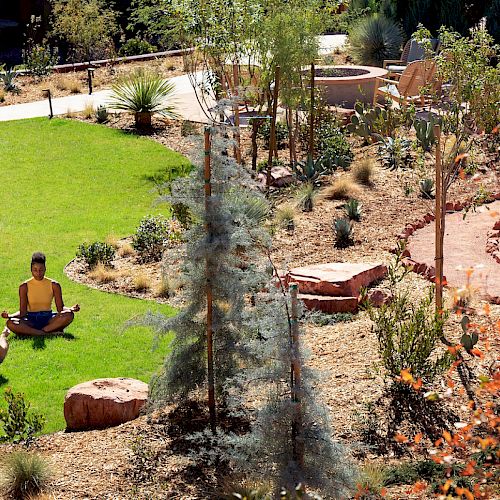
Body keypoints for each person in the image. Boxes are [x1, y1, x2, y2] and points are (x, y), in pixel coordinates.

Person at [1, 252, 80, 337]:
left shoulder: (54, 285)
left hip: (49, 319)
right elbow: (23, 312)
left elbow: (60, 308)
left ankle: (37, 332)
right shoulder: (24, 286)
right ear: (31, 270)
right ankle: (46, 333)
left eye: (41, 270)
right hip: (31, 320)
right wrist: (9, 315)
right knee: (10, 323)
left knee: (69, 314)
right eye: (35, 270)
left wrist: (70, 309)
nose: (38, 273)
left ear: (45, 269)